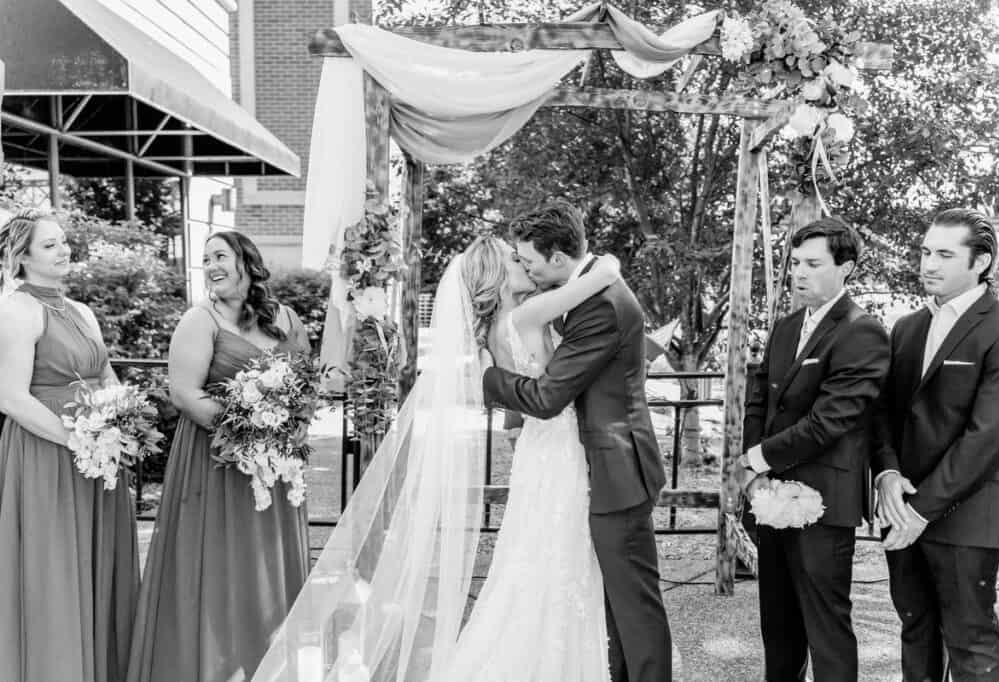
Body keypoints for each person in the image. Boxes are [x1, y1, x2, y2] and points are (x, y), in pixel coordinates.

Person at [250, 230, 624, 682]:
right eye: (516, 261)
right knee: (555, 559)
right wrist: (606, 268)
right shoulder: (526, 315)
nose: (527, 266)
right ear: (497, 276)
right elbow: (592, 294)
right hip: (558, 453)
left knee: (536, 560)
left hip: (543, 453)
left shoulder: (496, 330)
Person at [482, 201, 673, 682]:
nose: (525, 267)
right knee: (608, 603)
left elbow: (548, 397)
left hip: (616, 468)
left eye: (530, 260)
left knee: (632, 604)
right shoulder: (582, 290)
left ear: (559, 259)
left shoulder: (601, 307)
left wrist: (485, 380)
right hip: (586, 465)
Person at [127, 231, 311, 682]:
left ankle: (265, 663)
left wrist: (287, 430)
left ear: (247, 262)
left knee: (265, 565)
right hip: (215, 461)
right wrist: (250, 433)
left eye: (220, 256)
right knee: (215, 565)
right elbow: (185, 395)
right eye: (205, 258)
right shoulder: (199, 319)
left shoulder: (285, 316)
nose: (210, 265)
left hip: (275, 466)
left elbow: (305, 387)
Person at [873, 209, 999, 681]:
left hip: (968, 518)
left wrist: (921, 512)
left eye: (943, 254)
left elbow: (989, 437)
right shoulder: (907, 328)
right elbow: (885, 416)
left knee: (971, 643)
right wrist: (888, 475)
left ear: (981, 262)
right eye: (924, 252)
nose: (927, 264)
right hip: (902, 511)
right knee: (915, 633)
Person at [736, 217, 889, 682]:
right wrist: (754, 470)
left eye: (813, 264)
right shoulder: (785, 327)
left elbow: (830, 421)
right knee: (777, 626)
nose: (798, 273)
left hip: (824, 502)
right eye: (796, 262)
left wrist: (755, 459)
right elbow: (758, 399)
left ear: (846, 267)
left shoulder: (863, 331)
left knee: (826, 628)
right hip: (769, 497)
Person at [0, 209, 139, 682]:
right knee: (54, 568)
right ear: (22, 258)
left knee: (96, 563)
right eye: (50, 245)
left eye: (64, 242)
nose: (64, 251)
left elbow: (105, 374)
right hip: (46, 453)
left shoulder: (81, 311)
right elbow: (11, 397)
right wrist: (77, 441)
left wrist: (121, 419)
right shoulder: (16, 310)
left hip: (98, 454)